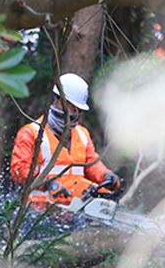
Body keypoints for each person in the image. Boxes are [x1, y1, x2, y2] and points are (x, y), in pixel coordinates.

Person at [10, 73, 124, 207]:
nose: (73, 112)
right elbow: (19, 170)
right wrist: (48, 183)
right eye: (69, 106)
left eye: (77, 109)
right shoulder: (31, 133)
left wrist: (106, 175)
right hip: (39, 211)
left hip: (74, 208)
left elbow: (92, 164)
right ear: (55, 100)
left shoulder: (82, 134)